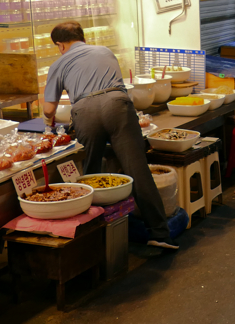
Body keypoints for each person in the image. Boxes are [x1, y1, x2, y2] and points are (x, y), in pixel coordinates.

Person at [41, 22, 176, 250]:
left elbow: (48, 109)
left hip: (84, 111)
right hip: (118, 105)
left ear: (60, 45)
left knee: (90, 174)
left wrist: (48, 126)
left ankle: (95, 240)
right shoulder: (105, 51)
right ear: (82, 37)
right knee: (138, 170)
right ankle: (160, 235)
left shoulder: (58, 64)